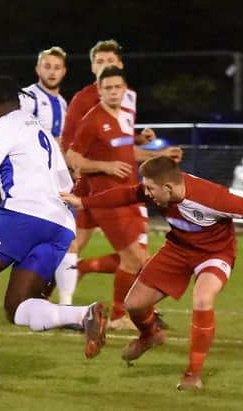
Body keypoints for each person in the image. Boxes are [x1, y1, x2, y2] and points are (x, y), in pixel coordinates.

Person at [61, 155, 243, 390]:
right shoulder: (157, 192)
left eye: (151, 188)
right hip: (177, 249)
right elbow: (126, 194)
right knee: (133, 305)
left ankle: (193, 375)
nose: (146, 192)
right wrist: (84, 203)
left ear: (168, 187)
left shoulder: (211, 197)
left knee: (203, 298)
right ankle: (149, 335)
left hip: (215, 253)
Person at [0, 76, 108, 385]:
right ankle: (83, 314)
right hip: (60, 224)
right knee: (18, 307)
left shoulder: (2, 126)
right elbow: (66, 185)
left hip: (23, 215)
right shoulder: (41, 132)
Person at [66, 66, 183, 330]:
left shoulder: (127, 115)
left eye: (118, 87)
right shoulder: (92, 119)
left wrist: (159, 155)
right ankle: (121, 316)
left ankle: (92, 273)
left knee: (141, 258)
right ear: (100, 91)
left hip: (132, 195)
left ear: (124, 89)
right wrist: (104, 167)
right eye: (108, 88)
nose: (114, 92)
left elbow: (127, 151)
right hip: (107, 199)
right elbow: (73, 159)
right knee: (135, 259)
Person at [60, 39, 157, 314]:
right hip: (96, 188)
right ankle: (65, 300)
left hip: (126, 187)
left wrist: (144, 145)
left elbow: (120, 142)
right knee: (77, 243)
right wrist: (99, 168)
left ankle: (80, 274)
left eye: (110, 62)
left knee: (135, 254)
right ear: (93, 68)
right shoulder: (85, 103)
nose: (106, 66)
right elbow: (73, 147)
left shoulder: (128, 101)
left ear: (121, 66)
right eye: (100, 62)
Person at [18, 46, 77, 305]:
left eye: (57, 67)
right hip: (34, 181)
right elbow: (16, 130)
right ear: (37, 69)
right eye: (47, 66)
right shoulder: (28, 97)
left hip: (58, 182)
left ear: (64, 72)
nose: (52, 72)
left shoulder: (63, 102)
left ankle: (65, 303)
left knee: (67, 237)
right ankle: (24, 294)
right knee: (32, 239)